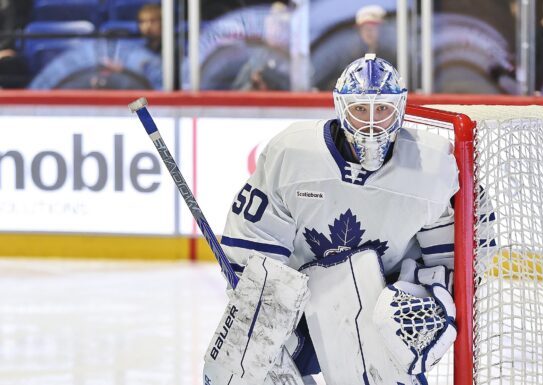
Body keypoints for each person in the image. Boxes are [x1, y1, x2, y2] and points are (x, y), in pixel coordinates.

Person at [205, 55, 460, 384]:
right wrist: (264, 320)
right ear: (341, 108)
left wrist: (428, 304)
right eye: (360, 110)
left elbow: (452, 261)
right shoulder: (293, 153)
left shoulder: (432, 166)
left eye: (382, 109)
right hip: (298, 306)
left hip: (380, 311)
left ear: (400, 108)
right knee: (241, 366)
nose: (371, 124)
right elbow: (253, 245)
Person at [29, 4, 163, 89]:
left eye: (153, 21)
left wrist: (126, 71)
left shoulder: (171, 53)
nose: (147, 26)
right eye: (143, 22)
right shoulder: (138, 48)